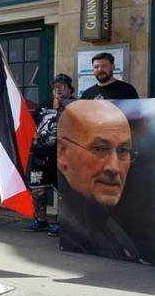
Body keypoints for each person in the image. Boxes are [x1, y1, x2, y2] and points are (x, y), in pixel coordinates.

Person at [56, 100, 141, 262]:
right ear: (62, 153)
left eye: (123, 150)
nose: (114, 168)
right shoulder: (75, 233)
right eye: (100, 149)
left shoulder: (108, 223)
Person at [23, 74, 76, 236]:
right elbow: (32, 124)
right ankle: (40, 220)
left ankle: (62, 222)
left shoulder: (75, 105)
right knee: (37, 189)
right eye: (56, 86)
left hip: (61, 156)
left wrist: (61, 106)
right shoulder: (45, 104)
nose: (58, 89)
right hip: (40, 154)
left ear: (69, 88)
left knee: (63, 191)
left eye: (62, 85)